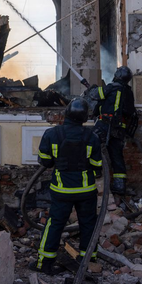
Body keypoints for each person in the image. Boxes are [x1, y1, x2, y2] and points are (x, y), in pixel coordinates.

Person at [32, 98, 102, 274]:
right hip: (86, 191)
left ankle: (44, 262)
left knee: (54, 224)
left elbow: (45, 161)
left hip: (61, 190)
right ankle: (88, 260)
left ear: (67, 114)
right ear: (85, 117)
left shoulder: (51, 134)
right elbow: (97, 165)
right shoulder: (92, 137)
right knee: (88, 224)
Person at [91, 66, 136, 195]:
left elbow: (95, 95)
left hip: (105, 125)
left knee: (91, 144)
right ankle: (119, 186)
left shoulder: (112, 87)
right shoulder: (128, 92)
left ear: (118, 75)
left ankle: (96, 172)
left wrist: (91, 88)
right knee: (116, 156)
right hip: (120, 128)